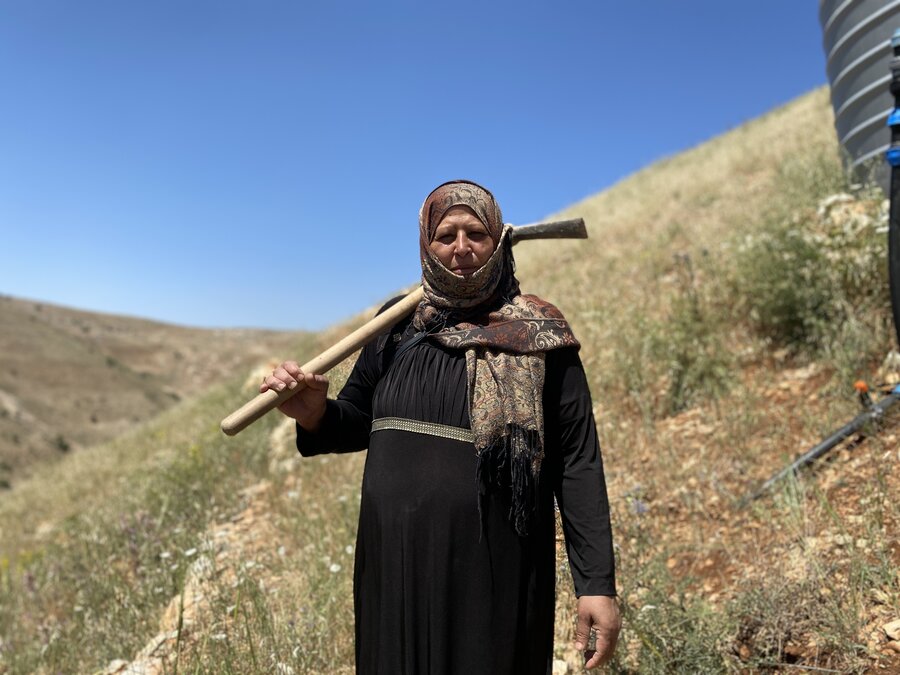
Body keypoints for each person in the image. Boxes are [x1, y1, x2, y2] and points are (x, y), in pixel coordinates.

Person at [262, 180, 620, 673]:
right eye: (445, 235)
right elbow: (357, 421)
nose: (461, 248)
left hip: (492, 569)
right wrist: (316, 413)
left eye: (476, 233)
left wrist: (596, 583)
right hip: (394, 562)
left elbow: (578, 460)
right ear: (425, 244)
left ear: (498, 243)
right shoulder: (396, 323)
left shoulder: (541, 337)